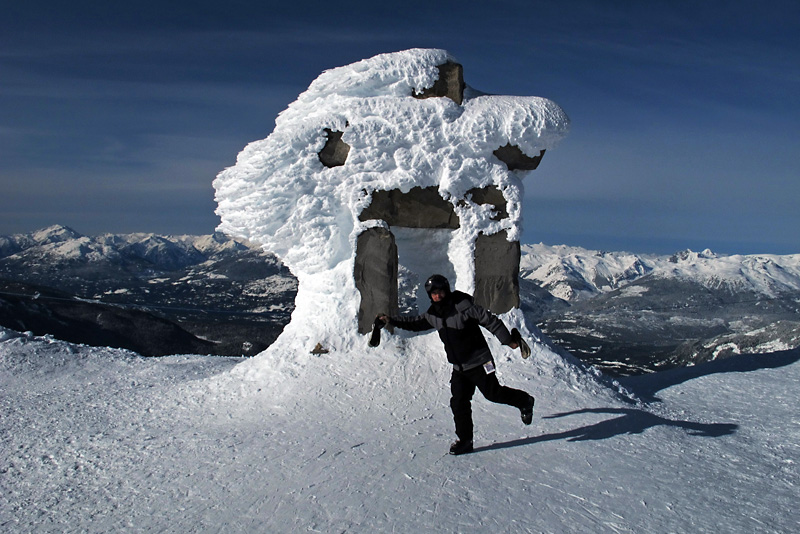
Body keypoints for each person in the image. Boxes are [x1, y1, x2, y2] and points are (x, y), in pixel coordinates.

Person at [378, 274, 535, 456]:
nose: (437, 296)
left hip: (480, 361)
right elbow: (415, 323)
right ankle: (465, 441)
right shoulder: (433, 314)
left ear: (446, 290)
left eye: (440, 292)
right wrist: (389, 320)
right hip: (460, 368)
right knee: (459, 402)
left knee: (493, 393)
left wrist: (508, 340)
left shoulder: (463, 306)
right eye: (433, 293)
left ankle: (525, 401)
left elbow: (489, 320)